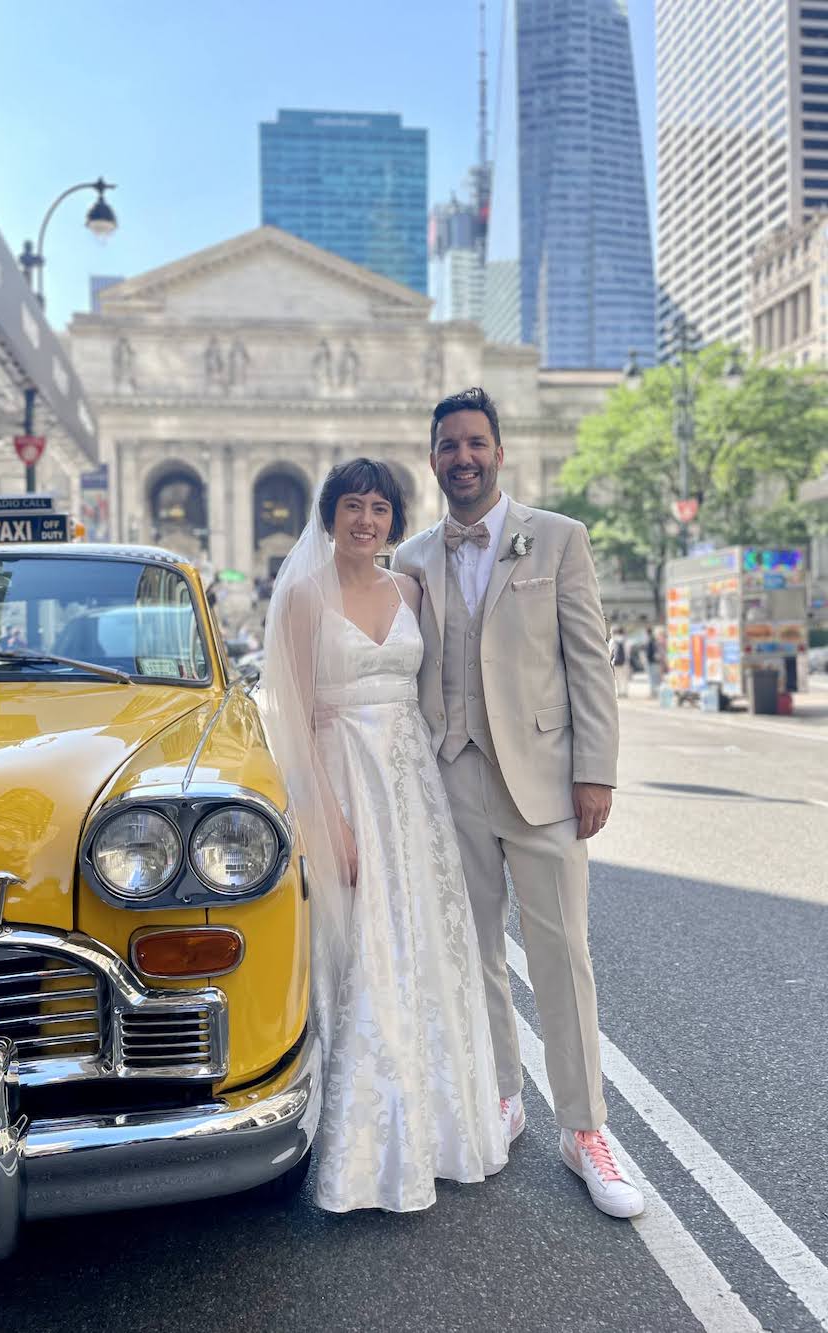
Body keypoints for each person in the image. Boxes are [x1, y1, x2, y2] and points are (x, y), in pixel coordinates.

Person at [393, 387, 644, 1219]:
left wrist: (596, 770)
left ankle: (586, 1127)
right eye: (447, 446)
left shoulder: (558, 539)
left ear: (499, 451)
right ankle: (503, 1093)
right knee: (475, 954)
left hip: (543, 776)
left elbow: (590, 665)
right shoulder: (414, 558)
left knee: (563, 954)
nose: (461, 458)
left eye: (474, 443)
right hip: (452, 773)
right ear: (432, 460)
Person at [262, 458, 506, 1213]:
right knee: (365, 951)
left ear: (393, 520)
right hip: (345, 781)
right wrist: (326, 816)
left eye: (379, 508)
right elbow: (293, 718)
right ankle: (368, 1142)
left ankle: (438, 1125)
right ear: (328, 515)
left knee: (428, 942)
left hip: (412, 788)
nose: (366, 520)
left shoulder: (411, 589)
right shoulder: (303, 598)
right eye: (352, 506)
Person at [609, 625, 631, 698]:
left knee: (618, 678)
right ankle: (625, 692)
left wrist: (610, 660)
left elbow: (610, 651)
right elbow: (628, 652)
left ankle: (619, 692)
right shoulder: (626, 640)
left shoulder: (613, 640)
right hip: (625, 662)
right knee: (625, 678)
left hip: (616, 661)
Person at [645, 625, 662, 697]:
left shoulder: (650, 640)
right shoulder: (654, 639)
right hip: (656, 661)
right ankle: (655, 692)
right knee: (655, 678)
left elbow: (649, 652)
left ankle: (654, 693)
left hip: (651, 661)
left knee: (652, 678)